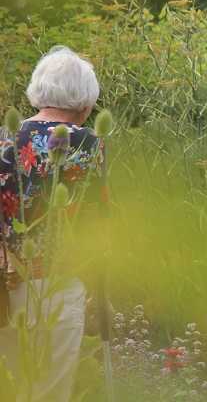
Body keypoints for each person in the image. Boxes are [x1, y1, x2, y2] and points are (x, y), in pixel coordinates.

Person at [0, 46, 107, 401]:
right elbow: (98, 219)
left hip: (3, 285)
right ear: (85, 102)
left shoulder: (3, 138)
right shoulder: (85, 142)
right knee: (47, 392)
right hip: (52, 284)